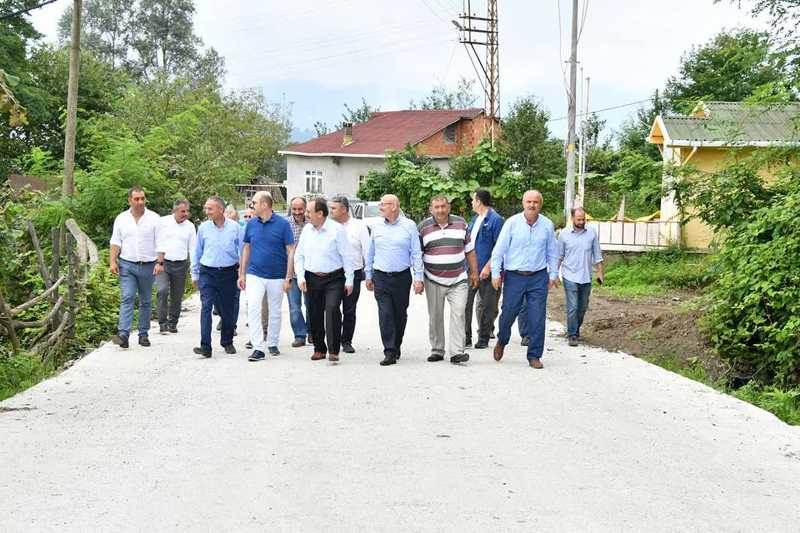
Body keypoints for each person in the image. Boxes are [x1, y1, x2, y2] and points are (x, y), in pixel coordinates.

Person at [490, 190, 558, 369]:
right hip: (514, 277)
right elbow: (498, 251)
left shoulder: (547, 225)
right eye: (529, 201)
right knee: (508, 313)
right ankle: (502, 340)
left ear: (540, 205)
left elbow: (552, 251)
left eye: (536, 202)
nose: (532, 205)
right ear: (523, 203)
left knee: (537, 317)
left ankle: (534, 355)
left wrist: (553, 275)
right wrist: (496, 274)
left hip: (538, 277)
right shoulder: (512, 223)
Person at [365, 194, 424, 366]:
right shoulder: (376, 227)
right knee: (385, 314)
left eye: (384, 204)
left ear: (394, 206)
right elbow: (370, 252)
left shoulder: (409, 226)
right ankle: (389, 350)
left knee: (399, 314)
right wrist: (368, 275)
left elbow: (416, 253)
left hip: (401, 277)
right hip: (381, 276)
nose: (381, 207)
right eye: (381, 203)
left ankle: (396, 345)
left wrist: (418, 278)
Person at [419, 196, 478, 364]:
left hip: (458, 279)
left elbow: (470, 250)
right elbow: (418, 255)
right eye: (436, 207)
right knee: (435, 316)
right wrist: (418, 278)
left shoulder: (461, 224)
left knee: (459, 313)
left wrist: (474, 272)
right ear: (431, 209)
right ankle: (437, 350)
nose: (440, 210)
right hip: (433, 279)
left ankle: (456, 352)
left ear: (449, 207)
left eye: (443, 206)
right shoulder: (423, 227)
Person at [294, 197, 354, 362]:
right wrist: (300, 277)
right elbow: (299, 255)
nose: (306, 215)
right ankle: (319, 348)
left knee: (333, 309)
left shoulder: (337, 229)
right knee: (314, 312)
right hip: (312, 277)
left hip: (334, 277)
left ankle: (334, 350)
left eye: (309, 212)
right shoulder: (307, 230)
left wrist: (350, 280)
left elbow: (347, 256)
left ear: (320, 213)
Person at [238, 191, 295, 362]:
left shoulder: (283, 225)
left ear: (264, 204)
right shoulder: (251, 224)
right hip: (255, 273)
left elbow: (291, 250)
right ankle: (258, 347)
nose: (251, 206)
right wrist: (242, 273)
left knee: (275, 310)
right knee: (253, 308)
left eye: (254, 202)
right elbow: (246, 248)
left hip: (277, 275)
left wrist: (288, 277)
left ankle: (272, 342)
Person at [109, 186, 161, 349]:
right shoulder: (121, 219)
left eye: (142, 199)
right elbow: (116, 242)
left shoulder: (154, 218)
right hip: (127, 265)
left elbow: (161, 242)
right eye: (136, 199)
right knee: (127, 297)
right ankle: (123, 334)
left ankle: (143, 334)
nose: (140, 202)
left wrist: (160, 263)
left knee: (145, 300)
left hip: (148, 265)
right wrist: (112, 261)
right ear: (129, 200)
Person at [191, 196, 243, 357]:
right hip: (208, 272)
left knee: (228, 309)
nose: (207, 212)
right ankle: (205, 346)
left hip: (228, 273)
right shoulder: (203, 228)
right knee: (206, 307)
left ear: (221, 210)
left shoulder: (235, 228)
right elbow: (197, 252)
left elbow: (242, 251)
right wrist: (195, 273)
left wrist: (242, 274)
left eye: (210, 209)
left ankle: (227, 341)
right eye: (206, 208)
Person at [464, 188, 504, 350]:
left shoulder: (495, 220)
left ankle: (483, 338)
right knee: (464, 304)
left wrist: (489, 267)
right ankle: (465, 337)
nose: (472, 203)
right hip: (470, 269)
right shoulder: (475, 219)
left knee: (488, 306)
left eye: (473, 200)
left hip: (486, 270)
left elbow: (499, 247)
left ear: (479, 201)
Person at [329, 195, 370, 354]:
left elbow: (367, 251)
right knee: (332, 307)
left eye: (334, 208)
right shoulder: (329, 226)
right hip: (333, 274)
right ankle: (333, 339)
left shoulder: (359, 226)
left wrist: (369, 275)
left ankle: (346, 340)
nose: (331, 211)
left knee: (349, 309)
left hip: (354, 273)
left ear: (344, 209)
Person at [557, 206, 604, 346]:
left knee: (582, 307)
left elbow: (597, 254)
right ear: (572, 219)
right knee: (573, 306)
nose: (582, 221)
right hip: (569, 275)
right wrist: (553, 275)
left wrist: (600, 272)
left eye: (584, 219)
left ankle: (575, 330)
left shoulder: (592, 233)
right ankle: (572, 335)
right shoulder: (564, 235)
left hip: (586, 276)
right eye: (579, 219)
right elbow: (559, 256)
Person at [155, 199, 196, 335]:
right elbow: (156, 241)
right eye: (182, 211)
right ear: (174, 211)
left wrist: (194, 269)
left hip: (181, 264)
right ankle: (162, 322)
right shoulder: (163, 222)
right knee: (162, 290)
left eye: (187, 211)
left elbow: (193, 248)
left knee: (177, 295)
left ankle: (173, 322)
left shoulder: (190, 226)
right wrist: (156, 261)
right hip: (164, 263)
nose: (185, 214)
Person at [286, 196, 310, 347]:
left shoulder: (312, 222)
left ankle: (312, 332)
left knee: (311, 305)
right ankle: (300, 335)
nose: (297, 212)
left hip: (309, 272)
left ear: (305, 208)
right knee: (294, 307)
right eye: (294, 209)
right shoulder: (285, 224)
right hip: (291, 272)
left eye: (300, 209)